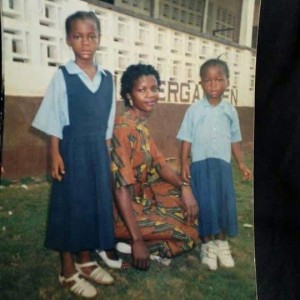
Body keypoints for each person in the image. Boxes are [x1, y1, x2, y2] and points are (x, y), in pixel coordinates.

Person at [32, 11, 115, 298]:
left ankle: (86, 259)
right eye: (78, 36)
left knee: (92, 204)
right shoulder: (64, 75)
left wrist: (106, 156)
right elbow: (54, 117)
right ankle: (67, 269)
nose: (85, 43)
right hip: (71, 150)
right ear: (69, 40)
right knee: (70, 205)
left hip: (97, 152)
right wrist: (54, 153)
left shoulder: (107, 78)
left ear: (99, 39)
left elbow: (108, 122)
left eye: (91, 36)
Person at [107, 63, 199, 270]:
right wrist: (138, 240)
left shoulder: (141, 126)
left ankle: (129, 242)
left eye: (154, 88)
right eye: (142, 90)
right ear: (129, 95)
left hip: (142, 200)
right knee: (190, 235)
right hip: (122, 212)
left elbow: (161, 165)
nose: (151, 95)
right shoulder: (122, 129)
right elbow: (120, 187)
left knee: (191, 212)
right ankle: (134, 242)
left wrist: (184, 187)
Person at [177, 58, 251, 271]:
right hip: (201, 166)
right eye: (208, 81)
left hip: (222, 167)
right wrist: (184, 164)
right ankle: (207, 245)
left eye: (219, 80)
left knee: (222, 203)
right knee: (207, 204)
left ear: (227, 82)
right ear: (201, 83)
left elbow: (234, 140)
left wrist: (241, 164)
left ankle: (221, 243)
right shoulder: (194, 110)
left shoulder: (230, 111)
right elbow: (186, 139)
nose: (214, 85)